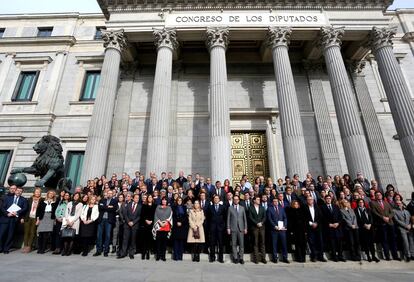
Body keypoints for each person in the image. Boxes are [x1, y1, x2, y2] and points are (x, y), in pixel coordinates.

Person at [370, 191, 399, 260]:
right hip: (381, 224)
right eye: (377, 195)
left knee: (393, 240)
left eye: (379, 195)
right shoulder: (373, 203)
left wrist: (388, 217)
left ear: (382, 195)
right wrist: (383, 217)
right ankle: (387, 256)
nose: (379, 196)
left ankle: (395, 256)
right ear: (375, 196)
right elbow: (374, 212)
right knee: (384, 240)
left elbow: (392, 212)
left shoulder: (386, 202)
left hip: (390, 223)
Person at [0, 186, 28, 254]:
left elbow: (25, 208)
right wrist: (7, 213)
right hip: (5, 218)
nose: (19, 192)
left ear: (22, 192)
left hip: (14, 219)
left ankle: (6, 249)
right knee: (1, 234)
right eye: (18, 191)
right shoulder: (8, 198)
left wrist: (17, 212)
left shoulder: (23, 200)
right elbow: (2, 207)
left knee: (10, 235)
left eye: (20, 191)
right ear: (15, 191)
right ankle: (0, 248)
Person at [320, 195, 344, 262]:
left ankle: (340, 256)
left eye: (329, 198)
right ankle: (334, 256)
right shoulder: (322, 207)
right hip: (329, 227)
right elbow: (322, 218)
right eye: (327, 198)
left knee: (339, 243)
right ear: (325, 199)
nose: (328, 199)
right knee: (332, 243)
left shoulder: (335, 206)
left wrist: (338, 223)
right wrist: (328, 224)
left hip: (337, 227)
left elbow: (340, 216)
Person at [94, 190, 117, 257]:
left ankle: (106, 251)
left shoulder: (114, 201)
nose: (109, 194)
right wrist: (108, 207)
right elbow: (100, 208)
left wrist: (105, 207)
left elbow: (114, 209)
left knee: (107, 235)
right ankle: (98, 250)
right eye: (108, 193)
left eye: (110, 193)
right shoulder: (102, 200)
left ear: (112, 194)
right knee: (99, 235)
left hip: (109, 220)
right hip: (101, 220)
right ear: (106, 194)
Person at [303, 196, 326, 262]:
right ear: (306, 200)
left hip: (318, 227)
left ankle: (321, 256)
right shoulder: (304, 207)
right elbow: (304, 218)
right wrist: (311, 223)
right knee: (311, 242)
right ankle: (314, 256)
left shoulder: (317, 207)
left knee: (320, 242)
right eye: (308, 199)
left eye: (311, 199)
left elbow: (320, 217)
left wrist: (316, 223)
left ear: (313, 200)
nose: (310, 200)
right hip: (309, 227)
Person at [118, 193, 141, 259]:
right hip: (127, 225)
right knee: (125, 239)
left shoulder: (140, 206)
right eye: (136, 198)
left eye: (138, 198)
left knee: (132, 240)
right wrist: (128, 222)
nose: (137, 199)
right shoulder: (127, 205)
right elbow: (125, 214)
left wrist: (133, 222)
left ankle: (131, 253)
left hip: (135, 225)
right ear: (133, 198)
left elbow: (139, 216)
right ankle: (123, 253)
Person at [267, 197, 289, 263]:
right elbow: (269, 219)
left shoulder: (281, 208)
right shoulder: (269, 209)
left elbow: (285, 217)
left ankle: (285, 258)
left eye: (276, 201)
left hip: (282, 229)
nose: (275, 202)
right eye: (274, 201)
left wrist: (284, 225)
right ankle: (275, 258)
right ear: (272, 202)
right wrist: (274, 226)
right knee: (274, 244)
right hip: (274, 230)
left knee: (284, 244)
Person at [227, 195, 247, 264]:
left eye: (237, 199)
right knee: (234, 244)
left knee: (241, 244)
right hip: (233, 228)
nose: (236, 200)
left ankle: (241, 258)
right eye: (234, 199)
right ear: (233, 200)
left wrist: (245, 228)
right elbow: (228, 219)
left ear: (239, 200)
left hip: (241, 228)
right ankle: (235, 257)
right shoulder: (230, 208)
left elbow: (245, 219)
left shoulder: (242, 208)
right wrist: (228, 228)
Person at [22, 187, 42, 253]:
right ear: (34, 193)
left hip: (35, 218)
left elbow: (41, 211)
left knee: (32, 232)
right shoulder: (29, 199)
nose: (37, 193)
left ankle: (29, 246)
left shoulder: (42, 200)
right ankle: (25, 245)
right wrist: (22, 217)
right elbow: (25, 209)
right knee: (26, 232)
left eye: (39, 192)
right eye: (36, 192)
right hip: (28, 217)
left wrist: (38, 219)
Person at [248, 195, 267, 264]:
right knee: (255, 243)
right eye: (258, 199)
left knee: (262, 243)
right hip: (254, 227)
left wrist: (261, 222)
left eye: (259, 199)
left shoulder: (262, 208)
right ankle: (256, 259)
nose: (259, 200)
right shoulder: (250, 208)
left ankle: (263, 258)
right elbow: (250, 217)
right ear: (254, 201)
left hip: (262, 227)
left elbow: (265, 217)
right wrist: (256, 223)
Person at [153, 197, 172, 261]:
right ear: (161, 201)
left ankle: (163, 256)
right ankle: (158, 256)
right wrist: (160, 222)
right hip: (159, 226)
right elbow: (156, 215)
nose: (164, 201)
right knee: (158, 242)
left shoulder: (169, 208)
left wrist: (166, 222)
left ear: (167, 201)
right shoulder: (158, 207)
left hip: (166, 226)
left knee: (164, 243)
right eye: (163, 200)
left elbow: (170, 216)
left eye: (165, 200)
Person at [208, 194, 225, 263]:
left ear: (219, 200)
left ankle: (220, 258)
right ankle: (212, 257)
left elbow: (225, 217)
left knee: (220, 243)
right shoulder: (210, 207)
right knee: (212, 243)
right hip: (212, 228)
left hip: (220, 228)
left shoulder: (222, 207)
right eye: (215, 198)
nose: (216, 200)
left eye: (217, 198)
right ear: (213, 200)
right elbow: (208, 217)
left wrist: (223, 226)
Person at [172, 197, 188, 261]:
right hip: (176, 226)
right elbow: (173, 216)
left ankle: (180, 256)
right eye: (178, 200)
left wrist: (181, 222)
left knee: (181, 242)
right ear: (176, 201)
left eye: (180, 200)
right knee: (175, 242)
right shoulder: (174, 207)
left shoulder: (184, 207)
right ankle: (176, 256)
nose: (179, 201)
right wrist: (177, 222)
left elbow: (185, 217)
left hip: (182, 226)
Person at [140, 194, 156, 260]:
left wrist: (151, 221)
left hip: (152, 224)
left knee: (150, 239)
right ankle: (143, 253)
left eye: (150, 197)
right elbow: (142, 215)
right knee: (144, 239)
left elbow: (155, 215)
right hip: (145, 224)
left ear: (152, 198)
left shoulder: (155, 206)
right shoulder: (144, 205)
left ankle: (148, 253)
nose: (149, 198)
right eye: (148, 197)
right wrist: (146, 220)